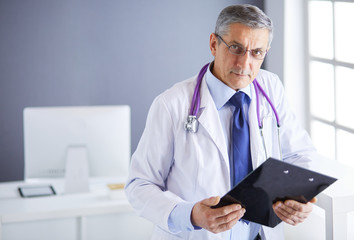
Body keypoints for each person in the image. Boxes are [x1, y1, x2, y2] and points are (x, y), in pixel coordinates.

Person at [125, 4, 318, 240]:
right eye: (236, 48)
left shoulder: (271, 87)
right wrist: (192, 215)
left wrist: (298, 196)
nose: (245, 63)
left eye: (257, 52)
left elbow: (299, 154)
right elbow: (139, 185)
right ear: (214, 44)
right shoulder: (170, 105)